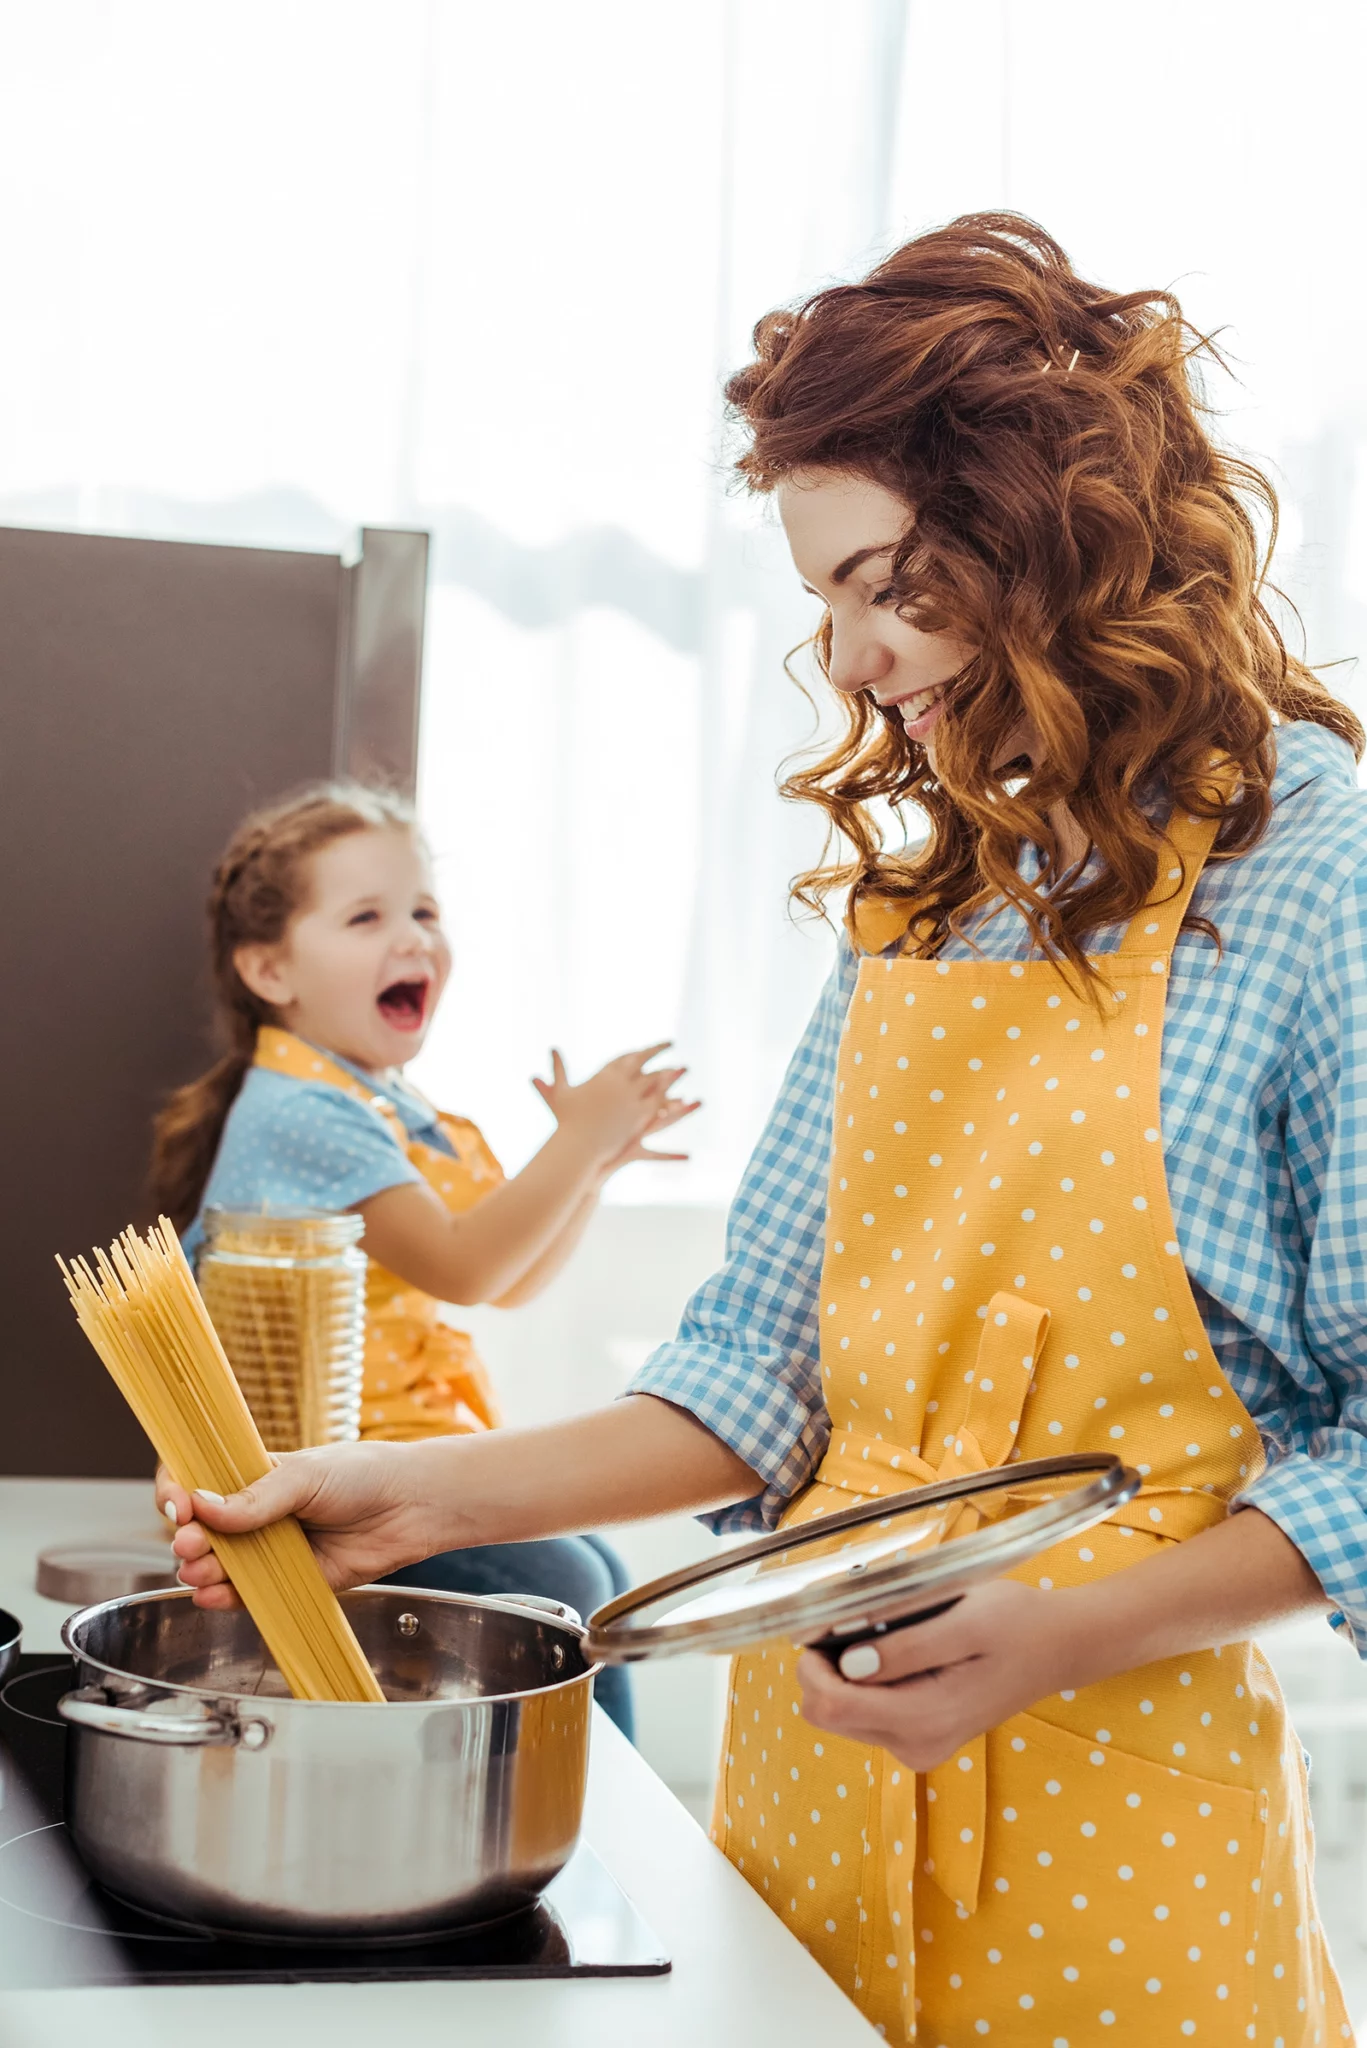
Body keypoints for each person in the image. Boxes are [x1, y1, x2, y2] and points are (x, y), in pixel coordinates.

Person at [162, 214, 1367, 2043]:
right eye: (823, 601)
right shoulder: (930, 908)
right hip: (807, 1808)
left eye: (885, 581)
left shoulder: (1321, 873)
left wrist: (1067, 1633)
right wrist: (403, 1498)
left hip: (1123, 1842)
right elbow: (749, 1376)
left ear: (1055, 519)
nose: (858, 657)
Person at [152, 783, 698, 1738]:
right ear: (269, 969)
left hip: (385, 1458)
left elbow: (513, 1279)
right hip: (319, 1484)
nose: (411, 937)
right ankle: (594, 1819)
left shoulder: (379, 1104)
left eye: (425, 910)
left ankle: (589, 1808)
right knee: (565, 1584)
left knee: (598, 1571)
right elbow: (467, 1268)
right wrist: (573, 1144)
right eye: (366, 916)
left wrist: (592, 1165)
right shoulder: (302, 1110)